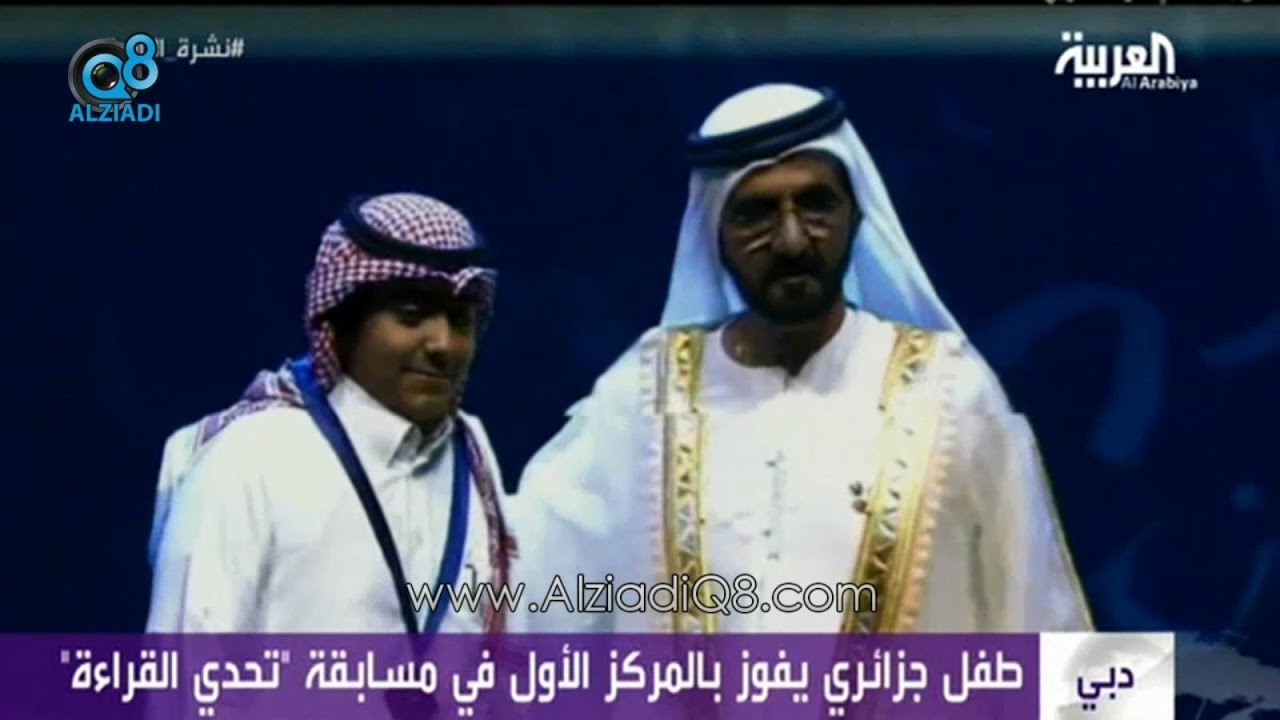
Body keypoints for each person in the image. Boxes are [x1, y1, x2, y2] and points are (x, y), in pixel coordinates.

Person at [511, 84, 1093, 634]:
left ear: (855, 215)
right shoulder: (643, 399)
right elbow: (520, 575)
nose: (791, 241)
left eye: (816, 205)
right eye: (756, 214)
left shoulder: (949, 392)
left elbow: (1041, 613)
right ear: (714, 232)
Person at [146, 192, 516, 635]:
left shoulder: (472, 457)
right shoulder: (251, 459)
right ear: (341, 322)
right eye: (411, 315)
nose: (443, 344)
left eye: (460, 321)